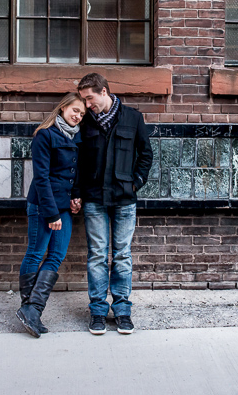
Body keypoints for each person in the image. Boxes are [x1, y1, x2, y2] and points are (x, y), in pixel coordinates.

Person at [75, 73, 153, 335]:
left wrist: (135, 183)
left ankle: (122, 311)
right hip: (94, 198)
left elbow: (146, 155)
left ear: (104, 91)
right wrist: (78, 192)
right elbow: (78, 160)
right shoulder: (85, 121)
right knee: (97, 255)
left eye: (90, 98)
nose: (87, 105)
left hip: (124, 198)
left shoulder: (133, 118)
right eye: (84, 100)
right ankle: (98, 311)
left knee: (122, 255)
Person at [16, 92, 85, 338]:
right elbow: (41, 178)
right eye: (75, 110)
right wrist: (52, 213)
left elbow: (74, 173)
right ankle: (28, 307)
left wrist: (76, 197)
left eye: (82, 114)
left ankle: (33, 310)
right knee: (35, 254)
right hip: (43, 206)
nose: (78, 116)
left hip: (63, 207)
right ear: (63, 107)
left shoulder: (76, 137)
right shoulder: (45, 135)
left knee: (56, 255)